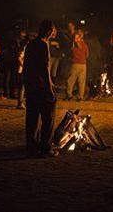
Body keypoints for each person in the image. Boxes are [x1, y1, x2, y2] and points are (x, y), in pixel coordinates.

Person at [23, 20, 57, 157]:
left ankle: (31, 148)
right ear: (49, 31)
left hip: (31, 87)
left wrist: (26, 86)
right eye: (53, 31)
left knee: (31, 119)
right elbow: (45, 68)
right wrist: (50, 88)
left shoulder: (30, 44)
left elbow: (26, 67)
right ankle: (45, 148)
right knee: (48, 118)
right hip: (41, 88)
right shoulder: (43, 45)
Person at [65, 30, 89, 101]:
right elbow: (87, 54)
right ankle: (80, 96)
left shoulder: (73, 44)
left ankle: (69, 95)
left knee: (71, 80)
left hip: (75, 64)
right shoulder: (84, 44)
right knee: (81, 82)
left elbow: (71, 53)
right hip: (83, 65)